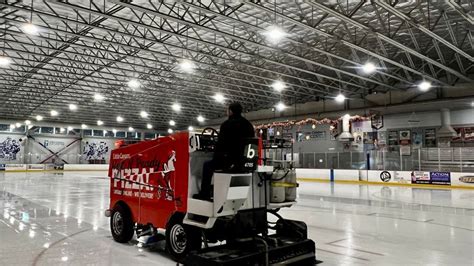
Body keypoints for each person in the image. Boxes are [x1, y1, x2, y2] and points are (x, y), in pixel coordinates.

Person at [195, 102, 255, 200]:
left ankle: (204, 194)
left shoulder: (226, 125)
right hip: (245, 162)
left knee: (207, 166)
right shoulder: (248, 125)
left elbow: (221, 145)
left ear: (230, 111)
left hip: (230, 162)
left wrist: (216, 157)